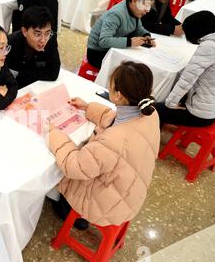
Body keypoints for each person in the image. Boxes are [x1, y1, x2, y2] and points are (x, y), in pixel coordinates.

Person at [47, 61, 160, 230]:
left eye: (111, 85)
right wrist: (87, 107)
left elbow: (74, 166)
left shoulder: (113, 141)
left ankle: (66, 208)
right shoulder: (149, 112)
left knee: (55, 171)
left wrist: (53, 133)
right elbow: (116, 118)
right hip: (129, 192)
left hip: (106, 203)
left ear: (119, 95)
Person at [155, 11, 215, 127]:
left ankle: (151, 139)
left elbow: (187, 80)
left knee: (154, 110)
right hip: (213, 107)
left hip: (200, 114)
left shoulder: (209, 47)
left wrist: (170, 104)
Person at [86, 0, 157, 69]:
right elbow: (104, 41)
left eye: (150, 6)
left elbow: (138, 28)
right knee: (131, 69)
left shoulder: (134, 9)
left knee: (140, 61)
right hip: (98, 53)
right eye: (146, 5)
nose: (147, 10)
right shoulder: (116, 14)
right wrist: (130, 42)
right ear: (134, 1)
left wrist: (146, 35)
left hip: (112, 49)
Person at [7, 6, 60, 89]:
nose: (43, 40)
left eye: (47, 33)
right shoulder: (10, 43)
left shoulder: (50, 39)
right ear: (24, 31)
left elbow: (53, 73)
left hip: (37, 88)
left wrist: (22, 74)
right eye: (37, 34)